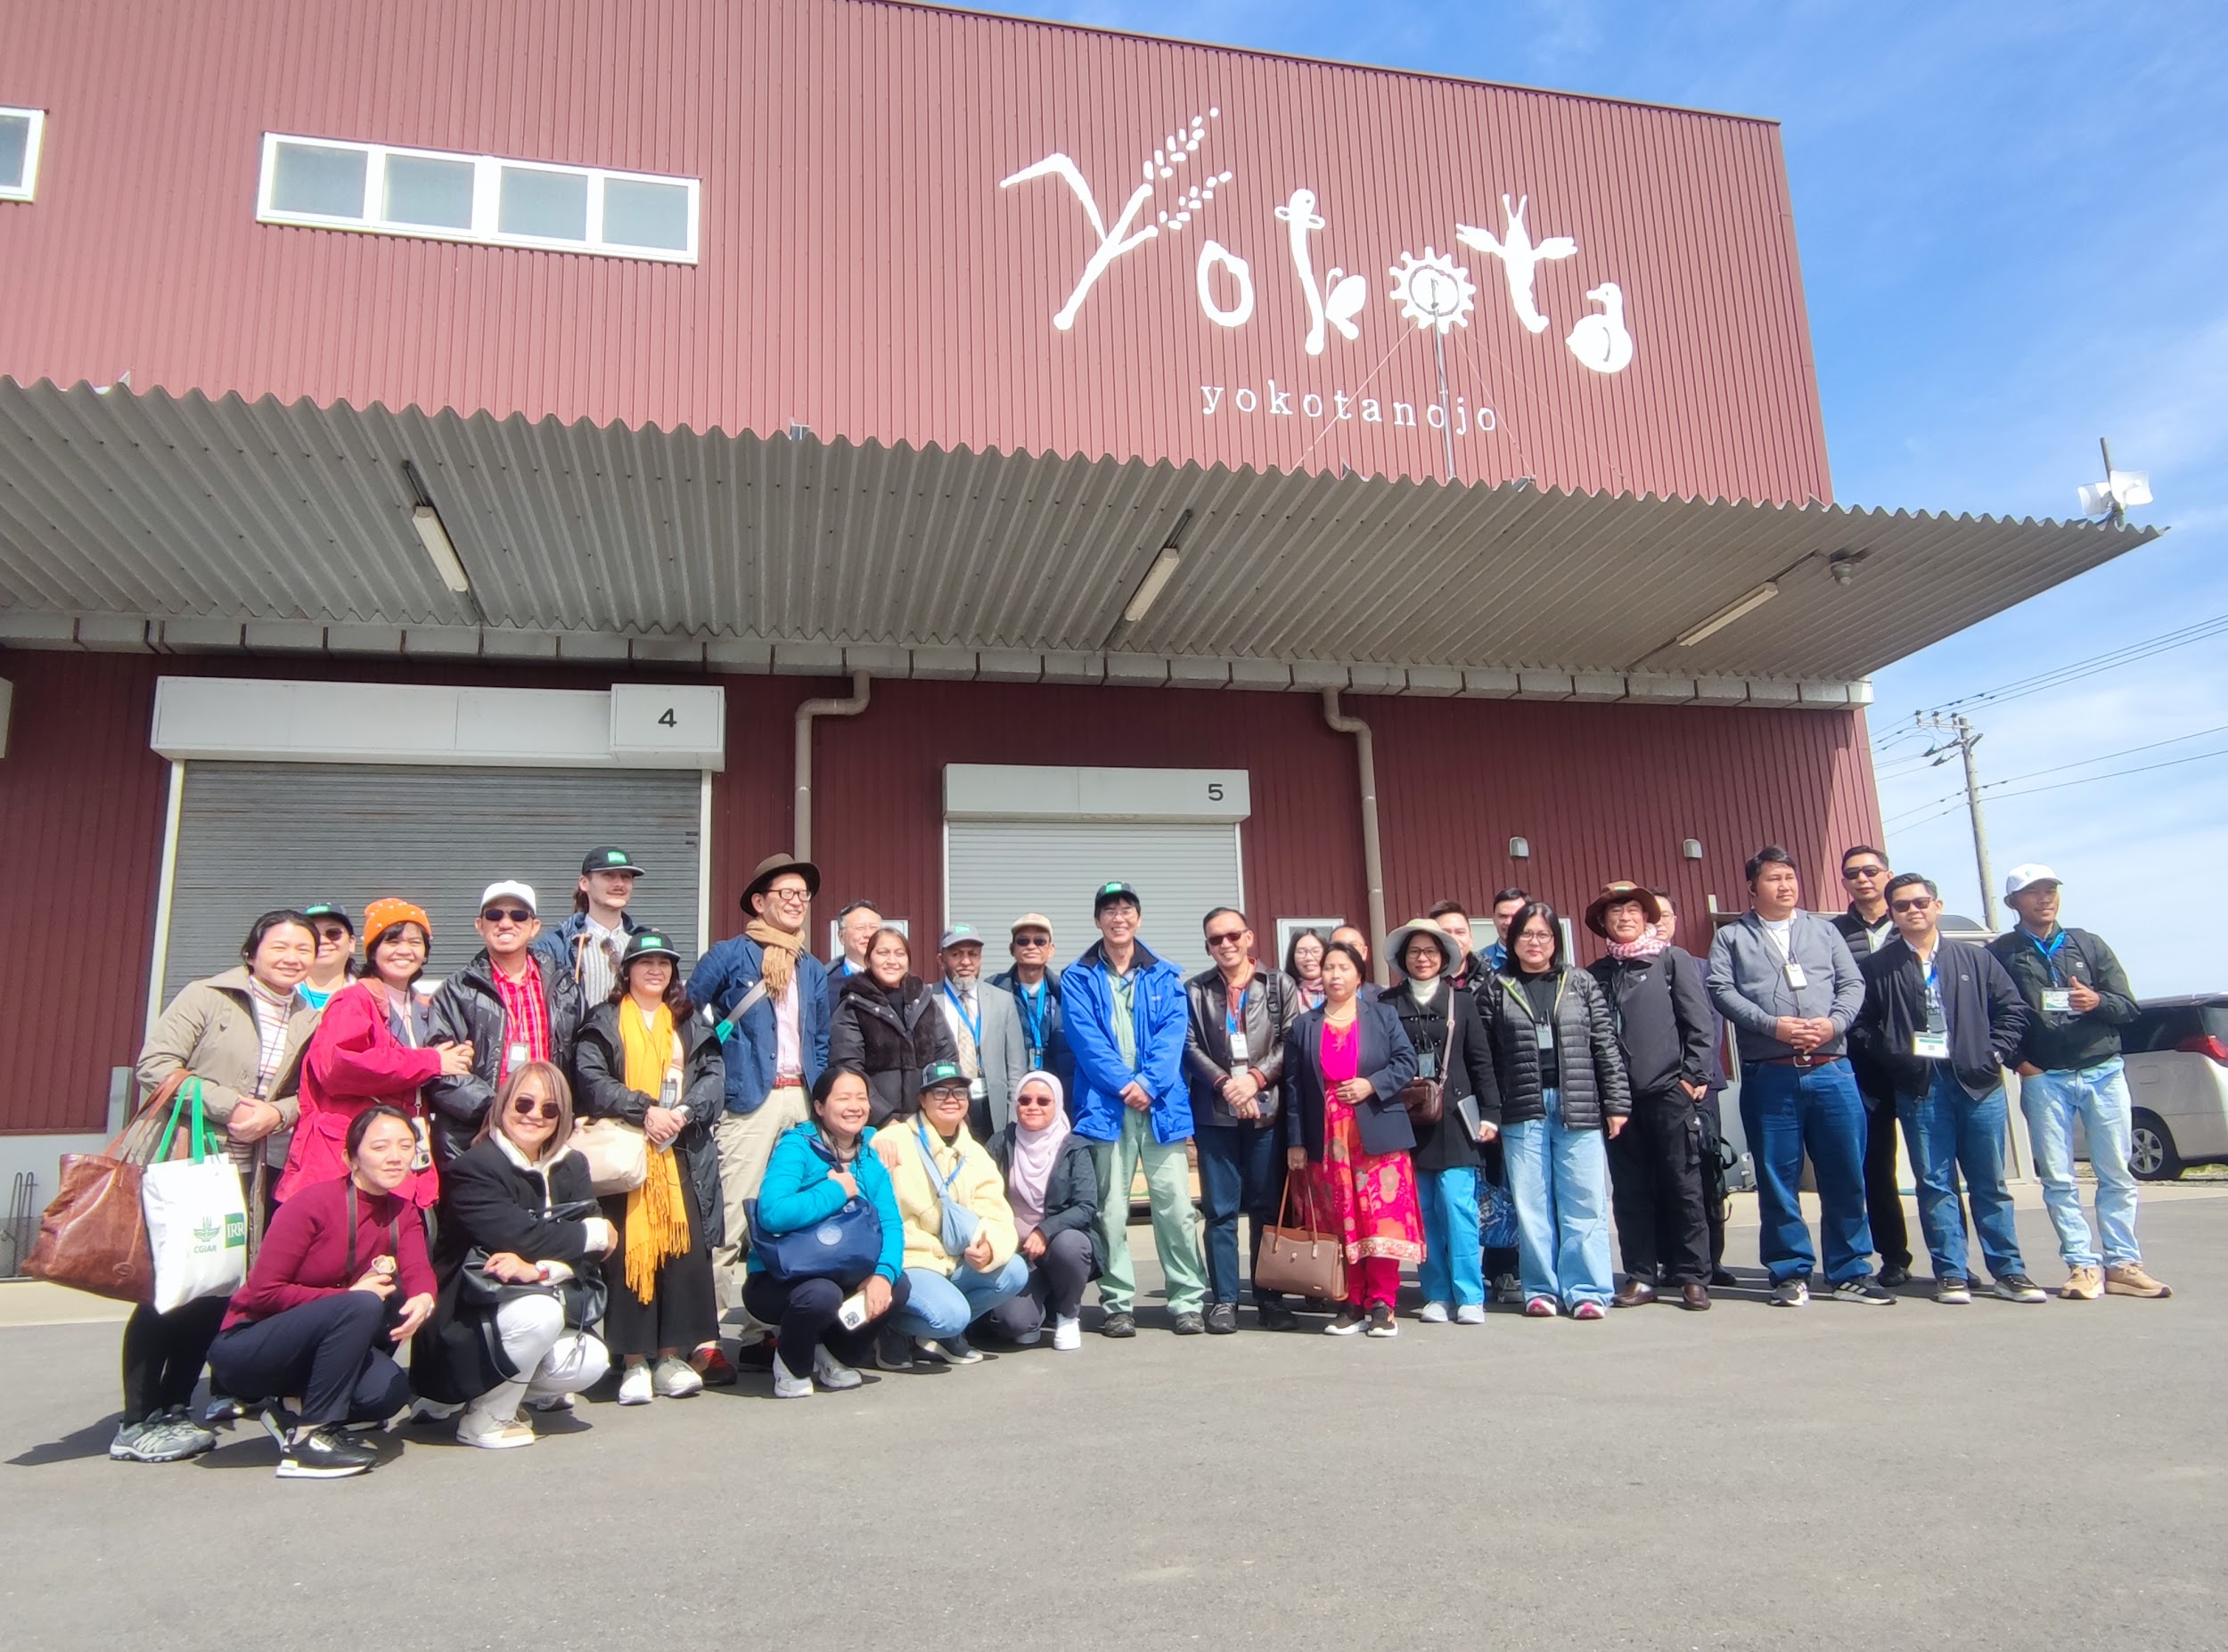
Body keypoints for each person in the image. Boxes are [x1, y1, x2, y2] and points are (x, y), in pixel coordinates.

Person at [116, 910, 321, 1462]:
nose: (292, 957)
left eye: (303, 948)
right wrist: (234, 1108)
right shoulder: (207, 996)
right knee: (168, 1290)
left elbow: (311, 1094)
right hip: (185, 1160)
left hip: (247, 1174)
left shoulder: (308, 1017)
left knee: (216, 1289)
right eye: (280, 946)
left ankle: (176, 1408)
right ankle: (136, 1420)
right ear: (252, 951)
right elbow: (156, 1065)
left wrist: (275, 1116)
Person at [1707, 846, 1890, 1306]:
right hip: (1771, 1075)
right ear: (1753, 888)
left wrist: (1833, 1024)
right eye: (1774, 878)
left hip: (1832, 1070)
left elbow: (1852, 984)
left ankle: (1850, 1271)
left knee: (1845, 1174)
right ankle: (1790, 1272)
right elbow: (1720, 989)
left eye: (1790, 877)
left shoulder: (1824, 931)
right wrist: (1773, 1026)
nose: (1785, 885)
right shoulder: (1732, 937)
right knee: (1777, 1177)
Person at [209, 1105, 433, 1478]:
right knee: (363, 1302)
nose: (395, 1157)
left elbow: (417, 1271)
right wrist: (348, 1297)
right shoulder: (312, 1204)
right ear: (350, 1158)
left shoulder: (404, 1211)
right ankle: (309, 1439)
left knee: (387, 1393)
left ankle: (290, 1411)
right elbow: (263, 1292)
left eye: (405, 1146)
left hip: (319, 1351)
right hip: (250, 1346)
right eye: (380, 1147)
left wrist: (423, 1298)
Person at [1850, 875, 2042, 1304]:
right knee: (1935, 1184)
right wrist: (1895, 1055)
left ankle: (2009, 1271)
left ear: (1937, 906)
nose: (1913, 911)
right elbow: (1860, 1025)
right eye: (1902, 906)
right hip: (1920, 1087)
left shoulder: (1975, 958)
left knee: (1989, 1184)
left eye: (1921, 902)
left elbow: (2012, 1009)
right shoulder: (1878, 967)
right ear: (1892, 914)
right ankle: (1951, 1273)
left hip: (1978, 1084)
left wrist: (1994, 1053)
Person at [1988, 863, 2168, 1300]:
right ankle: (2082, 1265)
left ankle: (2122, 1264)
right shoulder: (2000, 954)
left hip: (2102, 1071)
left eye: (2050, 889)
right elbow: (1992, 1016)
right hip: (2045, 1078)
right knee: (2058, 1177)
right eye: (2033, 892)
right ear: (2013, 902)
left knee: (2116, 1172)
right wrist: (2020, 1063)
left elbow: (2127, 1006)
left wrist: (2097, 1000)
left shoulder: (2088, 943)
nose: (2045, 898)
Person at [414, 1063, 614, 1449]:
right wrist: (594, 1233)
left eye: (550, 1109)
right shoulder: (473, 1167)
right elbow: (520, 1235)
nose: (534, 1115)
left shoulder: (573, 1164)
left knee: (590, 1360)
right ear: (503, 1104)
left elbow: (586, 1256)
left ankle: (495, 1395)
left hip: (529, 1304)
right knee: (540, 1313)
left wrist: (539, 1270)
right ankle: (484, 1419)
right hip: (463, 1324)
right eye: (524, 1103)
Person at [572, 930, 726, 1403]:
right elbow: (591, 1078)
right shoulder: (604, 1020)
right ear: (627, 971)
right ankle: (634, 1362)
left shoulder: (688, 1020)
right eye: (645, 963)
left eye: (664, 963)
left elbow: (713, 1074)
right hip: (626, 1155)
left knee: (682, 1254)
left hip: (680, 1153)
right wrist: (645, 1110)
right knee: (627, 1256)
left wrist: (684, 1113)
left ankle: (671, 1358)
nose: (655, 970)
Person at [685, 852, 832, 1337]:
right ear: (758, 902)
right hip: (749, 1101)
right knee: (732, 1219)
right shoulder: (730, 955)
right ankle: (705, 1335)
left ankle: (763, 1330)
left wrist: (821, 1100)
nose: (796, 902)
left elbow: (820, 1040)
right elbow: (687, 1016)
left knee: (788, 1218)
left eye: (802, 895)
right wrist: (714, 1072)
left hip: (801, 1101)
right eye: (785, 893)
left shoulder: (812, 968)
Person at [1062, 881, 1208, 1338]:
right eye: (1109, 911)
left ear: (1138, 919)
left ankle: (1187, 1300)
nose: (1118, 917)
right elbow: (1085, 1039)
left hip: (1161, 1106)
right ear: (1097, 921)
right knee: (1110, 1211)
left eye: (1126, 909)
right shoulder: (1078, 976)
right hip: (1105, 1107)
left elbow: (1172, 1037)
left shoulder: (1165, 974)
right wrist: (1125, 1084)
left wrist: (1147, 1083)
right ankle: (1117, 1303)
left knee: (1176, 1207)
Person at [1479, 904, 1629, 1319]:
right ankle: (1541, 1289)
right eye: (1526, 934)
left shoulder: (1579, 982)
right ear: (1513, 940)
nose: (1535, 943)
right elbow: (1485, 1059)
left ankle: (1587, 1291)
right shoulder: (1496, 986)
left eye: (1543, 935)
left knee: (1584, 1200)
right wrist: (1490, 1111)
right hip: (1522, 1108)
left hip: (1578, 1105)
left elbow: (1605, 1045)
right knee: (1531, 1205)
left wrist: (1616, 1103)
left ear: (1555, 941)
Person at [281, 898, 471, 1211]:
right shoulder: (353, 1000)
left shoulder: (425, 1007)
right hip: (346, 1159)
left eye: (415, 942)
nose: (404, 950)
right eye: (391, 941)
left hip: (403, 1154)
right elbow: (339, 1067)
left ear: (425, 952)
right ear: (372, 950)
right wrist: (432, 1061)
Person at [1585, 883, 1716, 1310]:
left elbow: (1699, 1024)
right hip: (1618, 1102)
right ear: (1602, 922)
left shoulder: (1672, 960)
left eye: (1632, 910)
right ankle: (1641, 1275)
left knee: (1683, 1184)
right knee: (1630, 1190)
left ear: (1646, 918)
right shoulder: (1596, 973)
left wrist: (1691, 1078)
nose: (1624, 917)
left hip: (1669, 1093)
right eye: (1615, 912)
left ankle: (1692, 1275)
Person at [1282, 940, 1421, 1336]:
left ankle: (1383, 1304)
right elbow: (1294, 1088)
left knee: (1380, 1220)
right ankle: (1352, 1302)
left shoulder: (1382, 1015)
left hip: (1375, 1131)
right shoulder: (1304, 1026)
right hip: (1327, 1136)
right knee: (1340, 1220)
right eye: (1329, 968)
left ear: (1359, 975)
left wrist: (1371, 1084)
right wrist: (1296, 1141)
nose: (1335, 975)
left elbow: (1406, 1062)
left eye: (1344, 967)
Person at [744, 1067, 910, 1395]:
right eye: (844, 1098)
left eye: (861, 1098)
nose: (855, 1106)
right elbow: (773, 1213)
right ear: (819, 1106)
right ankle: (792, 1364)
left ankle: (836, 1355)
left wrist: (883, 1274)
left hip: (845, 1269)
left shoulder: (869, 1156)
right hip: (782, 1275)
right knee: (822, 1295)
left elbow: (891, 1223)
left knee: (897, 1285)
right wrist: (835, 1191)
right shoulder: (796, 1147)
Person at [1184, 907, 1301, 1332]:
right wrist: (1225, 1084)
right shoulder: (1195, 990)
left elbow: (1291, 1040)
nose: (1226, 944)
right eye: (1216, 939)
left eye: (1233, 935)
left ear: (1249, 937)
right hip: (1216, 1116)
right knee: (1219, 1212)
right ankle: (1225, 1301)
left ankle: (1269, 1299)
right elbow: (1189, 1046)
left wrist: (1254, 1079)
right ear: (1208, 947)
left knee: (1267, 1209)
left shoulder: (1278, 984)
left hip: (1267, 1112)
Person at [870, 1061, 1028, 1367]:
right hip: (910, 1260)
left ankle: (941, 1333)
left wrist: (989, 1246)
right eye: (940, 1092)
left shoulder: (975, 1153)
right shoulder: (892, 1141)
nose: (951, 1099)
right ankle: (892, 1327)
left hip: (954, 1258)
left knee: (1014, 1271)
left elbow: (997, 1214)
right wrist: (870, 1138)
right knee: (951, 1316)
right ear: (922, 1099)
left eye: (959, 1093)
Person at [1383, 917, 1501, 1324]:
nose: (1422, 958)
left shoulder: (1461, 1002)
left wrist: (1491, 1114)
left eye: (1431, 951)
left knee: (1457, 1206)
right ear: (1403, 958)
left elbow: (1481, 1063)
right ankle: (1436, 1293)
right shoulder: (1387, 1004)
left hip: (1454, 1120)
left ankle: (1470, 1295)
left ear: (1443, 957)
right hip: (1406, 1119)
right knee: (1423, 1212)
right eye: (1415, 951)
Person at [425, 882, 585, 1167]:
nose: (506, 923)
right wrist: (500, 1110)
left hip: (548, 1135)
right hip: (478, 1139)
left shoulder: (564, 987)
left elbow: (582, 1061)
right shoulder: (456, 991)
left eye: (518, 915)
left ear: (534, 927)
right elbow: (443, 1074)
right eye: (494, 915)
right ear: (480, 925)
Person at [1830, 845, 1916, 1288]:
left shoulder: (1911, 921)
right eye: (1852, 874)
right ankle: (1894, 1257)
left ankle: (1954, 1262)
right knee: (1876, 1167)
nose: (1862, 879)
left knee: (1936, 1167)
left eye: (1870, 871)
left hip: (1920, 1062)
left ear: (1887, 873)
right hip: (1864, 1063)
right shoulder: (1833, 932)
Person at [980, 1070, 1102, 1350]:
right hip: (1016, 1253)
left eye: (1043, 1101)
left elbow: (1085, 1206)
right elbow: (982, 1196)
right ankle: (1039, 1307)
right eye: (1025, 1100)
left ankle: (1068, 1314)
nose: (1032, 1106)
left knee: (1071, 1245)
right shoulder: (1000, 1143)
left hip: (1058, 1246)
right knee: (1014, 1324)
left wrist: (1044, 1231)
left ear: (1057, 1104)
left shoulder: (1074, 1148)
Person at [1655, 891, 1739, 1288]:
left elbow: (1710, 1026)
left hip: (1699, 1088)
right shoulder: (1631, 969)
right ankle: (1670, 1259)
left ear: (1675, 920)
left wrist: (1697, 1075)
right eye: (1649, 915)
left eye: (1664, 915)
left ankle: (1710, 1259)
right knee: (1662, 1176)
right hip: (1654, 1090)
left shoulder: (1699, 968)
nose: (1657, 923)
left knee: (1705, 1172)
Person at [828, 925, 956, 1125]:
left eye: (899, 953)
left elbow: (947, 1059)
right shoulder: (853, 1006)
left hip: (926, 1120)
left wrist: (937, 1111)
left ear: (908, 961)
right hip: (875, 1123)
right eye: (883, 953)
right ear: (868, 960)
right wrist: (885, 1118)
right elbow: (849, 1069)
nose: (892, 961)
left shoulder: (924, 1001)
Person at [936, 923, 1028, 1138]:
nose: (966, 962)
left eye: (973, 954)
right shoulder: (927, 999)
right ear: (941, 960)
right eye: (956, 954)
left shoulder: (1002, 1001)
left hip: (991, 1110)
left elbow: (1016, 1069)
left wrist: (1012, 1123)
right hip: (945, 1106)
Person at [535, 846, 646, 1008]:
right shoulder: (556, 944)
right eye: (608, 875)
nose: (619, 884)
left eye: (626, 877)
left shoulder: (644, 941)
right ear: (584, 883)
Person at [991, 913, 1070, 1094]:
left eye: (1040, 941)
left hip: (1057, 1094)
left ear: (1051, 949)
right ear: (1012, 949)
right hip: (1010, 1094)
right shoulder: (993, 991)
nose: (1031, 946)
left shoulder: (1067, 994)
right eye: (1023, 941)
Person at [297, 902, 358, 1011]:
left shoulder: (372, 996)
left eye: (333, 933)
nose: (322, 941)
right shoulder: (278, 994)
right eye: (312, 935)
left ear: (351, 943)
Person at [824, 900, 882, 1014]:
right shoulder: (825, 983)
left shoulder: (894, 979)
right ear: (841, 937)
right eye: (860, 928)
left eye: (874, 928)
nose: (868, 934)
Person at [1482, 888, 1531, 973]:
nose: (1508, 922)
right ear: (1494, 919)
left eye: (1515, 916)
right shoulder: (1480, 962)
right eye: (1503, 916)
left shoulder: (1542, 959)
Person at [1283, 927, 1329, 1011]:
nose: (1309, 958)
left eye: (1316, 951)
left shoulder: (1337, 991)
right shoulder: (1283, 993)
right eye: (1301, 952)